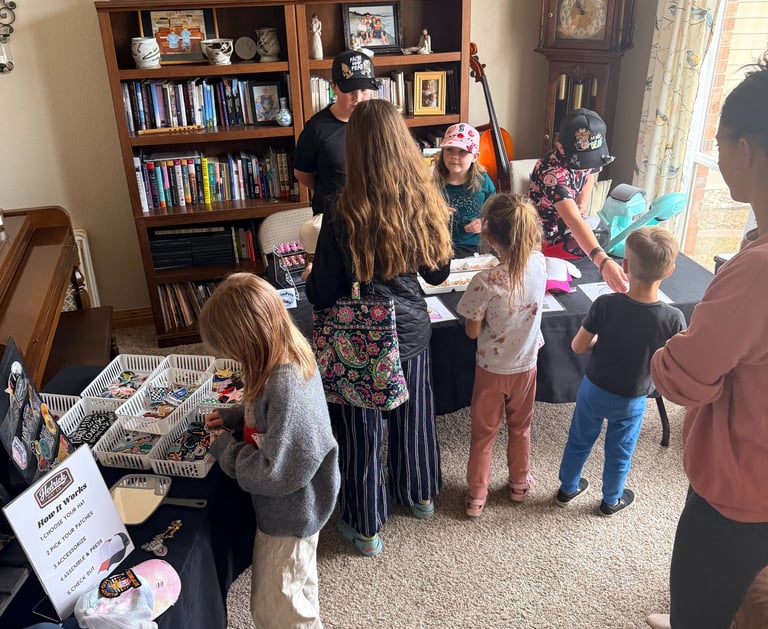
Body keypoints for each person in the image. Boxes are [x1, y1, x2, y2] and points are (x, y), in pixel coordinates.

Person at [648, 51, 768, 629]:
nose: (717, 157)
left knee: (700, 611)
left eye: (719, 143)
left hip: (741, 497)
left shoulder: (756, 272)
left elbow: (682, 375)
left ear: (743, 148)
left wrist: (663, 349)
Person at [305, 99, 453, 557]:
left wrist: (313, 270)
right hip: (411, 333)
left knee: (361, 432)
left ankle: (366, 525)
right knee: (415, 418)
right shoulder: (424, 199)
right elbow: (438, 274)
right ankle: (420, 495)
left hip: (363, 338)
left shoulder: (341, 210)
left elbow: (322, 293)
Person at [199, 273, 340, 627]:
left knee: (277, 608)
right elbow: (266, 418)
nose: (234, 359)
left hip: (290, 514)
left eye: (234, 351)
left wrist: (226, 450)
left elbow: (274, 472)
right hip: (290, 508)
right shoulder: (278, 360)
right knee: (295, 591)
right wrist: (232, 417)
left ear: (251, 340)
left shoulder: (285, 384)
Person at [556, 226, 685, 516]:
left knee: (579, 439)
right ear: (670, 272)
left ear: (625, 266)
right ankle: (611, 500)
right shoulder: (673, 318)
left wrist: (602, 342)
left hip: (593, 389)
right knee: (620, 450)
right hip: (632, 397)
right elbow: (674, 362)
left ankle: (567, 488)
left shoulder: (605, 304)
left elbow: (578, 346)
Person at [455, 193, 547, 516]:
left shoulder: (485, 280)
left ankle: (477, 496)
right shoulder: (540, 264)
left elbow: (471, 332)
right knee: (521, 427)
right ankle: (519, 483)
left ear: (491, 238)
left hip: (492, 368)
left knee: (483, 435)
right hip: (526, 365)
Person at [528, 108, 628, 293]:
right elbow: (573, 221)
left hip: (567, 227)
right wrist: (603, 262)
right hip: (543, 236)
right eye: (582, 162)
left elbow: (590, 173)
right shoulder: (552, 172)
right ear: (560, 147)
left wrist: (582, 201)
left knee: (601, 232)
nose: (586, 165)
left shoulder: (588, 160)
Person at [293, 50, 376, 218]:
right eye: (350, 91)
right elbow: (302, 173)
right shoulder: (316, 128)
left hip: (373, 213)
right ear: (334, 87)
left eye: (363, 90)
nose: (358, 98)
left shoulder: (379, 122)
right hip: (332, 216)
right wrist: (327, 192)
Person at [433, 122, 496, 258]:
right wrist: (437, 213)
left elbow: (495, 211)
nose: (454, 156)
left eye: (462, 151)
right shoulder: (433, 182)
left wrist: (483, 222)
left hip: (475, 246)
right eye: (449, 149)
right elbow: (422, 212)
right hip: (440, 244)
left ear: (475, 156)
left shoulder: (483, 181)